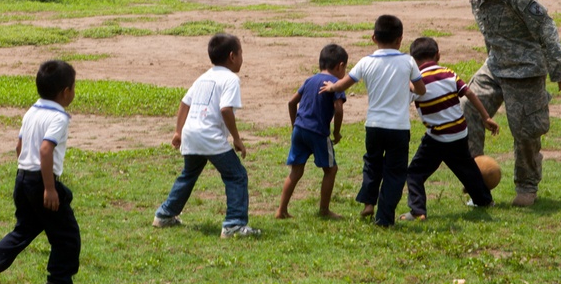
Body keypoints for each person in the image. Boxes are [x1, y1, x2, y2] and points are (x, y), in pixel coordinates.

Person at [450, 0, 561, 207]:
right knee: (467, 107)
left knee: (525, 129)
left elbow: (546, 27)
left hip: (525, 69)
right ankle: (476, 178)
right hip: (496, 64)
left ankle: (526, 186)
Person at [0, 60, 81, 284]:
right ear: (66, 92)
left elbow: (19, 145)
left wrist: (27, 173)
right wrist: (48, 188)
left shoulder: (32, 111)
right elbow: (46, 150)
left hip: (23, 177)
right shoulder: (59, 117)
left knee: (24, 231)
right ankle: (59, 283)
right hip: (41, 181)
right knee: (67, 234)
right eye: (74, 87)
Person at [152, 33, 260, 239]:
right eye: (241, 53)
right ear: (232, 56)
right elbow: (226, 110)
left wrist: (178, 131)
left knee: (188, 175)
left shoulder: (204, 77)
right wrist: (236, 139)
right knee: (236, 175)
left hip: (191, 133)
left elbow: (185, 103)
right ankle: (234, 225)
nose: (242, 58)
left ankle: (164, 215)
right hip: (209, 136)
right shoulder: (230, 79)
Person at [320, 15, 425, 227]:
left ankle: (369, 202)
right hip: (398, 128)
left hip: (374, 125)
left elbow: (342, 84)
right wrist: (410, 87)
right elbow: (421, 90)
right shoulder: (408, 61)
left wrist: (331, 87)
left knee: (372, 163)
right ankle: (384, 218)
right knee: (395, 172)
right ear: (400, 39)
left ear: (373, 37)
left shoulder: (366, 62)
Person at [401, 37, 499, 221]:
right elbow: (469, 93)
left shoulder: (417, 82)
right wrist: (486, 116)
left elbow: (405, 99)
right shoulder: (448, 73)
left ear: (413, 60)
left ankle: (417, 210)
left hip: (437, 137)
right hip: (459, 133)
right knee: (467, 169)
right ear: (438, 55)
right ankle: (484, 201)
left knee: (415, 173)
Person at [276, 43, 349, 220]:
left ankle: (281, 210)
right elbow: (338, 110)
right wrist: (336, 133)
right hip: (318, 132)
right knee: (331, 170)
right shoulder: (335, 84)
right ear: (340, 66)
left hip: (300, 130)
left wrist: (295, 125)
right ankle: (324, 210)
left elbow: (291, 102)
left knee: (296, 171)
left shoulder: (309, 80)